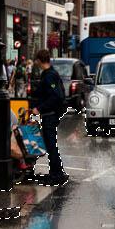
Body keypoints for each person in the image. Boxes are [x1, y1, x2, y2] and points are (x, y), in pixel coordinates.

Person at [30, 48, 68, 186]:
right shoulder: (49, 74)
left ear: (40, 61)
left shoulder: (49, 75)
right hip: (50, 114)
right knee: (50, 144)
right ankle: (56, 172)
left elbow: (55, 96)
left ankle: (57, 174)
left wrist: (39, 108)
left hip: (50, 115)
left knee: (51, 145)